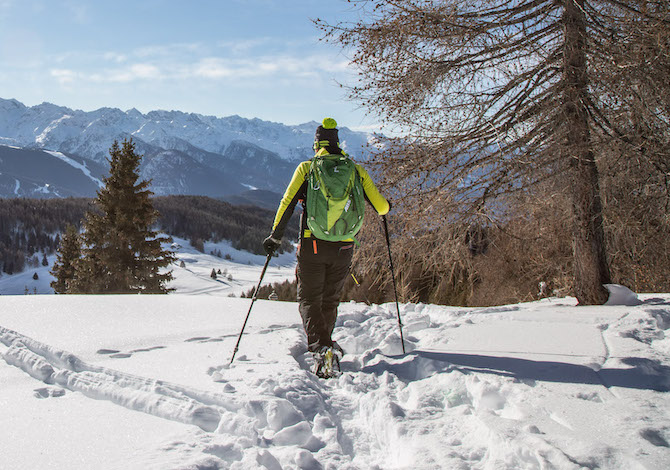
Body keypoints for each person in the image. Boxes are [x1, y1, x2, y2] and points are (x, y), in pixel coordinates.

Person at [263, 118, 390, 377]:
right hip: (344, 246)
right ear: (337, 143)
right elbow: (382, 207)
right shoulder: (355, 170)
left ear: (317, 144)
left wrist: (275, 237)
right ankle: (326, 346)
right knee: (330, 299)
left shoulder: (308, 168)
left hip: (313, 245)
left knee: (309, 298)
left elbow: (287, 203)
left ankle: (321, 348)